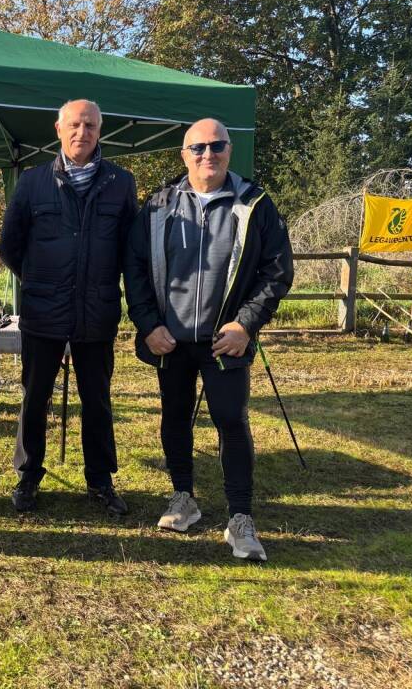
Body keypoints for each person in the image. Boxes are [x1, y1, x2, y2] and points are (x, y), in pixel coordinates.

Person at [123, 118, 293, 561]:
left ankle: (240, 519)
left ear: (229, 150)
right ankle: (183, 498)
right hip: (171, 341)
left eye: (216, 146)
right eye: (197, 148)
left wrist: (246, 325)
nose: (207, 155)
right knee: (174, 418)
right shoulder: (159, 205)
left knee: (231, 421)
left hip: (225, 340)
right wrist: (147, 324)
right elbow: (135, 269)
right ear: (184, 155)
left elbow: (277, 271)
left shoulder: (255, 203)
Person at [0, 99, 138, 514]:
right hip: (44, 312)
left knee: (96, 399)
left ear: (100, 131)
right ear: (58, 129)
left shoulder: (121, 183)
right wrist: (41, 281)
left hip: (97, 312)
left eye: (91, 125)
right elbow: (10, 247)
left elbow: (131, 249)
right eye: (75, 125)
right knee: (34, 396)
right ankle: (28, 476)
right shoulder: (32, 182)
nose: (83, 132)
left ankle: (100, 481)